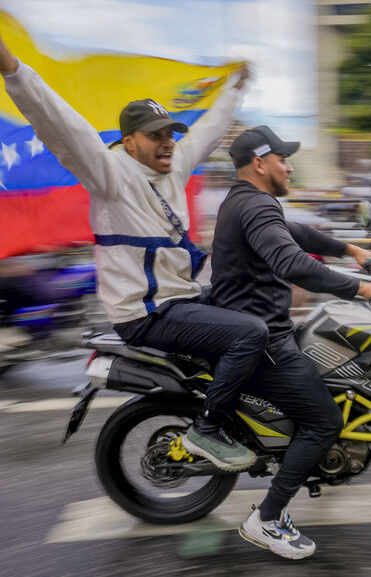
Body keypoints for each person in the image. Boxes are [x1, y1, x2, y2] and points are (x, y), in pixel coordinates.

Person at [0, 36, 268, 471]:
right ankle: (209, 429)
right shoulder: (110, 175)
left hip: (179, 299)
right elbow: (62, 127)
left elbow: (209, 130)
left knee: (261, 305)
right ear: (129, 142)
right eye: (154, 135)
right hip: (147, 313)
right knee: (250, 333)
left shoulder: (174, 167)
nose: (167, 142)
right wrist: (13, 70)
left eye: (170, 134)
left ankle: (254, 412)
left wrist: (235, 89)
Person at [209, 125, 371, 559]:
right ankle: (267, 518)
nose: (290, 167)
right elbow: (292, 262)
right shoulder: (255, 204)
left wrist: (352, 250)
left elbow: (296, 232)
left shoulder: (244, 201)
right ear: (260, 163)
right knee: (324, 421)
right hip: (262, 338)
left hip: (258, 325)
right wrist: (363, 288)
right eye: (283, 159)